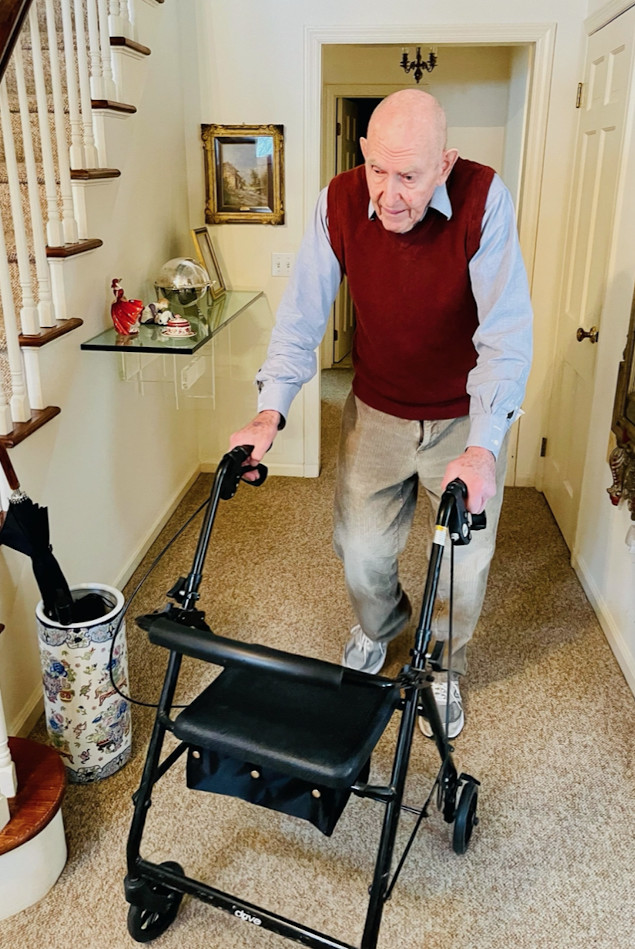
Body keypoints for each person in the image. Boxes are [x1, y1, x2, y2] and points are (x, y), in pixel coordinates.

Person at [230, 89, 532, 739]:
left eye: (410, 177)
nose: (389, 195)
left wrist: (483, 447)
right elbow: (301, 318)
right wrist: (267, 413)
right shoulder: (337, 201)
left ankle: (441, 666)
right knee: (361, 550)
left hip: (463, 418)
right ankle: (380, 626)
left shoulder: (484, 199)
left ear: (445, 163)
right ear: (363, 153)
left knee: (465, 561)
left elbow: (506, 334)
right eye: (377, 170)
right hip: (376, 411)